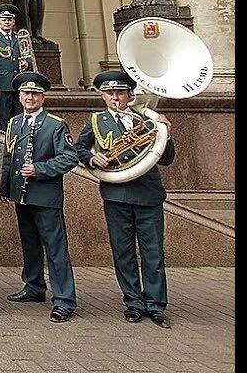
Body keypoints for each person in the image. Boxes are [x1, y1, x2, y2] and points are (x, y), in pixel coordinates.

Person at [76, 70, 176, 328]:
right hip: (116, 195)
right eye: (110, 93)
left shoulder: (146, 120)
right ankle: (133, 302)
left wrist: (166, 133)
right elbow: (78, 148)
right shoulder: (96, 121)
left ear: (130, 95)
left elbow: (166, 159)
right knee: (123, 252)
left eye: (120, 93)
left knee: (153, 253)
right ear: (103, 96)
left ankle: (155, 305)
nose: (115, 98)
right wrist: (91, 158)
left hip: (148, 194)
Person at [0, 72, 78, 324]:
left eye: (34, 94)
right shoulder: (14, 123)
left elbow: (69, 157)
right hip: (21, 195)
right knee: (29, 244)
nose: (29, 98)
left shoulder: (56, 125)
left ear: (42, 97)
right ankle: (33, 287)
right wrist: (5, 188)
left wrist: (40, 169)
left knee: (55, 249)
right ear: (20, 97)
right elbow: (9, 159)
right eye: (25, 94)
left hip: (45, 196)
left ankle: (64, 300)